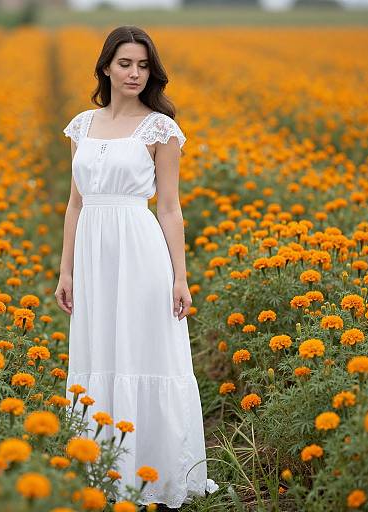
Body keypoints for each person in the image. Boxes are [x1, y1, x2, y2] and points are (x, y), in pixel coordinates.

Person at [55, 25, 219, 509]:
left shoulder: (160, 128)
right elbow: (74, 205)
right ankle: (99, 472)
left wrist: (180, 278)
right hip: (92, 254)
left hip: (140, 250)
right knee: (99, 351)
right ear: (106, 66)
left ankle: (154, 475)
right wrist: (66, 271)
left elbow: (169, 208)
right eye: (125, 63)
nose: (134, 73)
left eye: (143, 65)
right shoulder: (81, 126)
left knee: (145, 353)